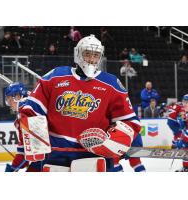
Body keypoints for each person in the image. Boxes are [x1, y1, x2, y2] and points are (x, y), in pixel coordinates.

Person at [18, 34, 141, 172]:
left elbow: (130, 122)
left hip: (94, 157)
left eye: (96, 55)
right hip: (55, 157)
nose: (91, 59)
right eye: (88, 54)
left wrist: (115, 141)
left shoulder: (112, 84)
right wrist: (36, 145)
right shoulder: (55, 77)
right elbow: (31, 109)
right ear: (78, 54)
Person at [4, 82, 44, 172]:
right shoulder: (30, 105)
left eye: (10, 100)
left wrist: (14, 167)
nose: (10, 104)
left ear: (18, 96)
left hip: (47, 158)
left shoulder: (26, 110)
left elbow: (28, 148)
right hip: (46, 156)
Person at [171, 94, 188, 172]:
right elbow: (184, 128)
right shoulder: (185, 113)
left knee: (185, 147)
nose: (184, 104)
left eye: (186, 102)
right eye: (183, 101)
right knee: (185, 150)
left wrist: (181, 141)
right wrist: (182, 120)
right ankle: (186, 168)